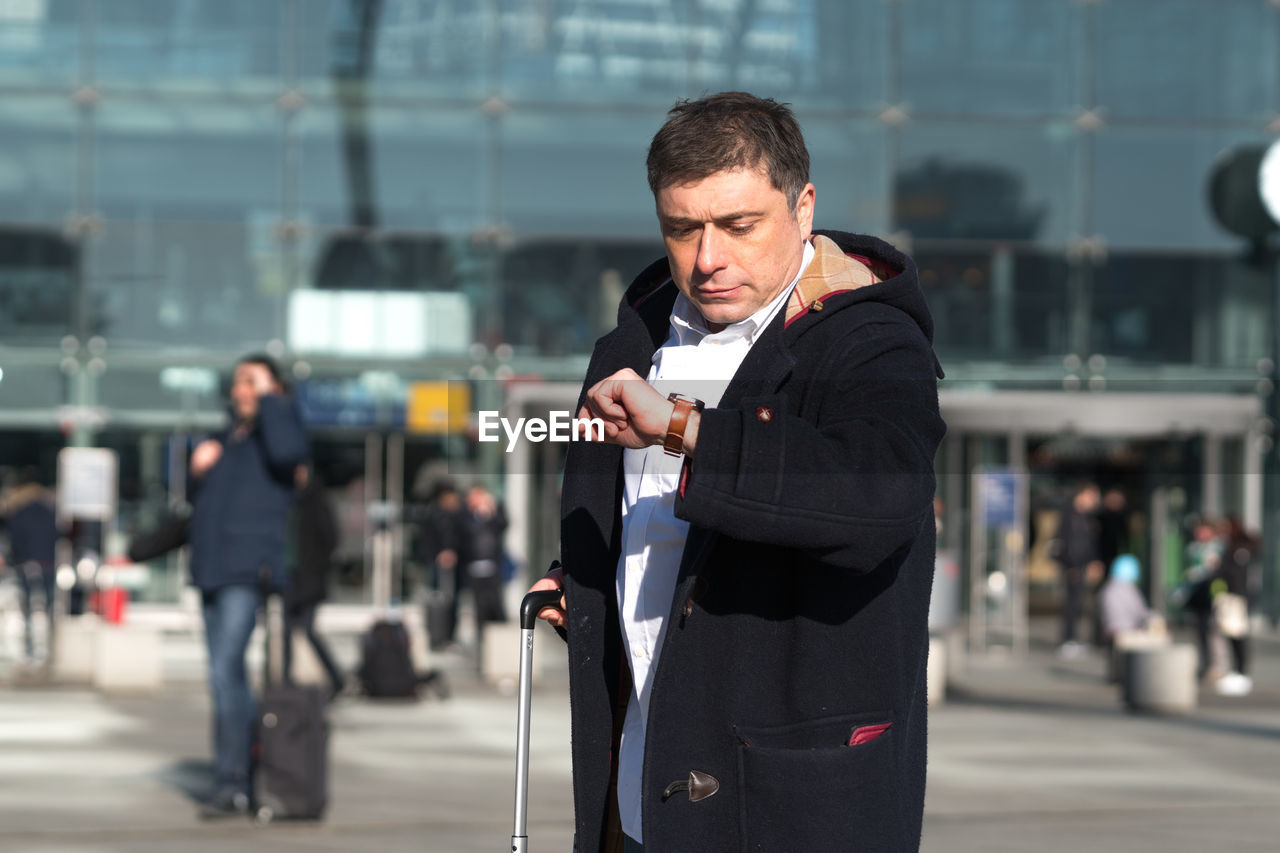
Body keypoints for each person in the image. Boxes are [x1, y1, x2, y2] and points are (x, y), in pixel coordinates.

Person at [528, 92, 945, 852]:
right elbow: (656, 530)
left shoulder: (873, 340)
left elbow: (880, 498)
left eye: (738, 225)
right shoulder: (630, 342)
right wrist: (582, 578)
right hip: (640, 775)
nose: (707, 257)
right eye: (681, 229)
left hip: (791, 800)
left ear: (803, 205)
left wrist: (687, 429)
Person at [188, 354, 308, 819]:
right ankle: (238, 775)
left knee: (225, 672)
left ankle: (233, 781)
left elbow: (288, 456)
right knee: (223, 679)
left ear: (275, 388)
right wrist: (198, 470)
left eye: (252, 381)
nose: (241, 389)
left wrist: (271, 401)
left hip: (245, 571)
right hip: (212, 570)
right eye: (239, 381)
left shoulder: (280, 430)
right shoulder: (225, 440)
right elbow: (197, 508)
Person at [283, 463, 345, 701]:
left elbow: (330, 539)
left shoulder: (316, 501)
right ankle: (286, 682)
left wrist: (318, 570)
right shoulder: (288, 498)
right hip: (290, 577)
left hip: (310, 580)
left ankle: (336, 678)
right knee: (287, 631)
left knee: (307, 630)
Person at [0, 468, 59, 663]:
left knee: (28, 604)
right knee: (48, 604)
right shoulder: (49, 509)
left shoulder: (18, 510)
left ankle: (30, 645)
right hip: (48, 561)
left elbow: (15, 539)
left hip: (26, 562)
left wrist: (14, 559)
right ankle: (50, 645)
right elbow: (57, 534)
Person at [1054, 482, 1102, 659]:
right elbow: (1064, 544)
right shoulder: (1070, 516)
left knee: (1079, 603)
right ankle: (1068, 640)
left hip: (1081, 565)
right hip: (1072, 567)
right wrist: (1070, 565)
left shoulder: (1086, 518)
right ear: (1082, 495)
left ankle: (1073, 639)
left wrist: (1092, 561)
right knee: (1071, 604)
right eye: (1092, 496)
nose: (1094, 501)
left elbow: (1087, 544)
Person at [417, 481, 467, 648]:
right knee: (436, 600)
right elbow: (425, 542)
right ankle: (435, 635)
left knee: (453, 602)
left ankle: (450, 635)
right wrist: (438, 556)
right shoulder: (432, 516)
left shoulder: (460, 517)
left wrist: (453, 553)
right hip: (436, 565)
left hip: (455, 567)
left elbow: (465, 540)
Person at [1212, 516, 1257, 696]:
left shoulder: (1239, 549)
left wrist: (1219, 568)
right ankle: (1236, 671)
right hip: (1229, 596)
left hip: (1236, 597)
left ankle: (1241, 672)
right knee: (1229, 634)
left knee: (1237, 634)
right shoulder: (1228, 548)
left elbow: (1236, 573)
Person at [462, 484, 509, 631]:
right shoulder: (466, 515)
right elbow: (461, 533)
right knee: (479, 604)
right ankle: (481, 635)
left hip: (492, 564)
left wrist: (490, 511)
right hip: (473, 565)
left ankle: (498, 633)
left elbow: (503, 525)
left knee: (495, 601)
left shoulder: (494, 514)